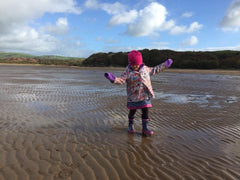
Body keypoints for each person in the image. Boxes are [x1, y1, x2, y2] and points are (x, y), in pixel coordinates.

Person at [104, 50, 173, 136]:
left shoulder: (145, 69)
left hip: (145, 95)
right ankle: (130, 125)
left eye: (137, 64)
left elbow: (155, 70)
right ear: (130, 63)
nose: (135, 66)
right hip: (133, 96)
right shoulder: (128, 72)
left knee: (145, 111)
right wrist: (113, 79)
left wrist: (165, 65)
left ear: (140, 63)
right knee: (132, 111)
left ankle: (145, 128)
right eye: (133, 65)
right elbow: (121, 80)